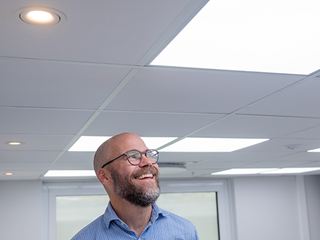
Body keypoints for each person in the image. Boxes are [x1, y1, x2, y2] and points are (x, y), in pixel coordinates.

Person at [71, 132, 199, 240]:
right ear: (105, 176)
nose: (148, 162)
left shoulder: (186, 232)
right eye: (132, 156)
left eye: (149, 154)